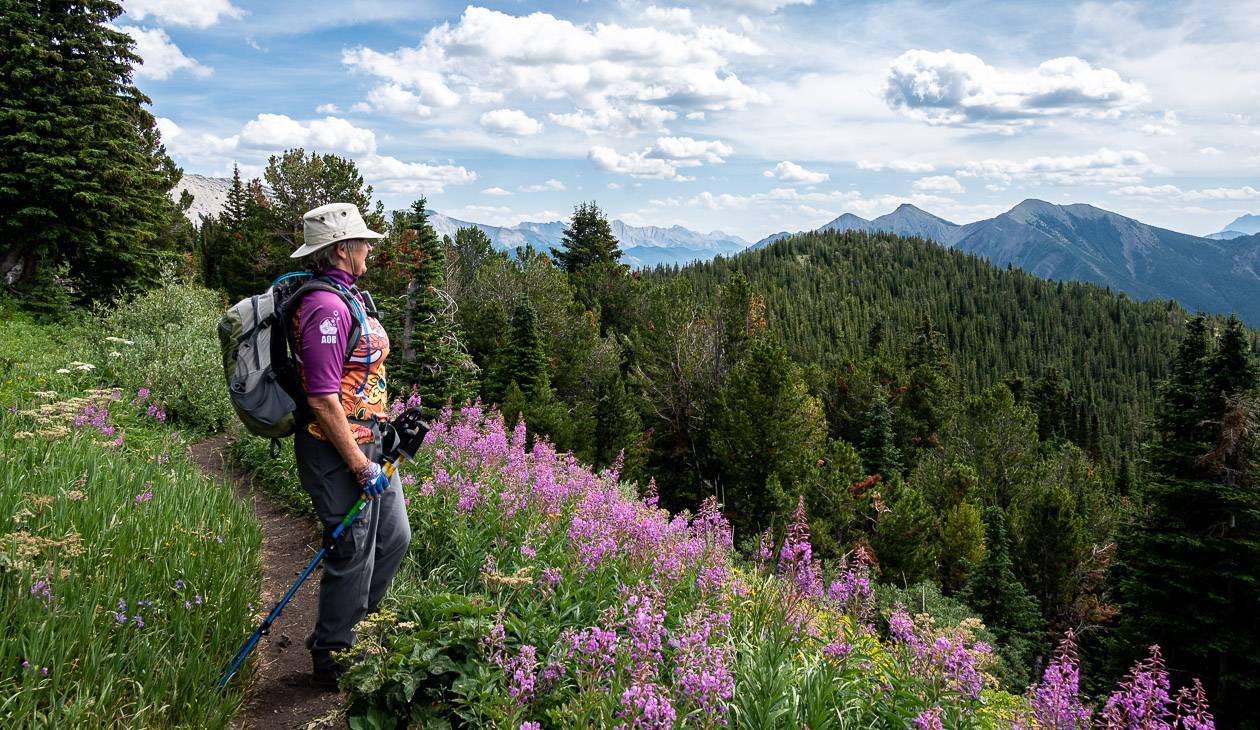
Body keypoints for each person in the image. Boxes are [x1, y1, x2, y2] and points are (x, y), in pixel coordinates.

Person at [288, 202, 411, 688]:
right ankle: (333, 653)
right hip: (336, 451)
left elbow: (358, 374)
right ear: (342, 250)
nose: (369, 250)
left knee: (393, 538)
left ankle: (364, 627)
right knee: (352, 548)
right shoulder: (325, 307)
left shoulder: (351, 297)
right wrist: (360, 464)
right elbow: (321, 397)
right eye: (363, 243)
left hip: (374, 439)